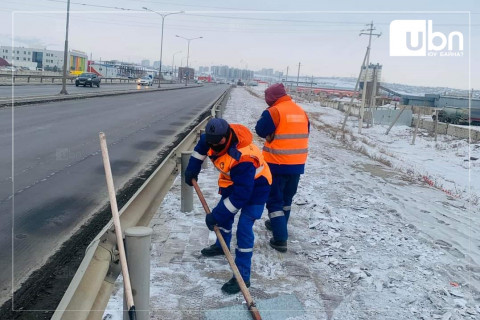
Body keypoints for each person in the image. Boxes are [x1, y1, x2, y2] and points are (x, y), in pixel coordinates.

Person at [184, 118, 272, 294]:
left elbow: (241, 196)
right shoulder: (211, 137)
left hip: (257, 188)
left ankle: (242, 277)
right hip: (234, 182)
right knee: (224, 217)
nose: (214, 145)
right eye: (211, 142)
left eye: (218, 142)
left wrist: (216, 215)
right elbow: (200, 151)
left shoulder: (244, 158)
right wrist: (192, 169)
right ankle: (220, 245)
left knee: (244, 229)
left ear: (226, 137)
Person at [255, 83, 309, 253]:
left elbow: (260, 130)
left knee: (274, 201)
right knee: (287, 199)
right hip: (297, 164)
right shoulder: (301, 111)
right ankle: (280, 225)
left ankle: (280, 239)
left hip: (276, 164)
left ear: (271, 98)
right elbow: (305, 132)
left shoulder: (274, 112)